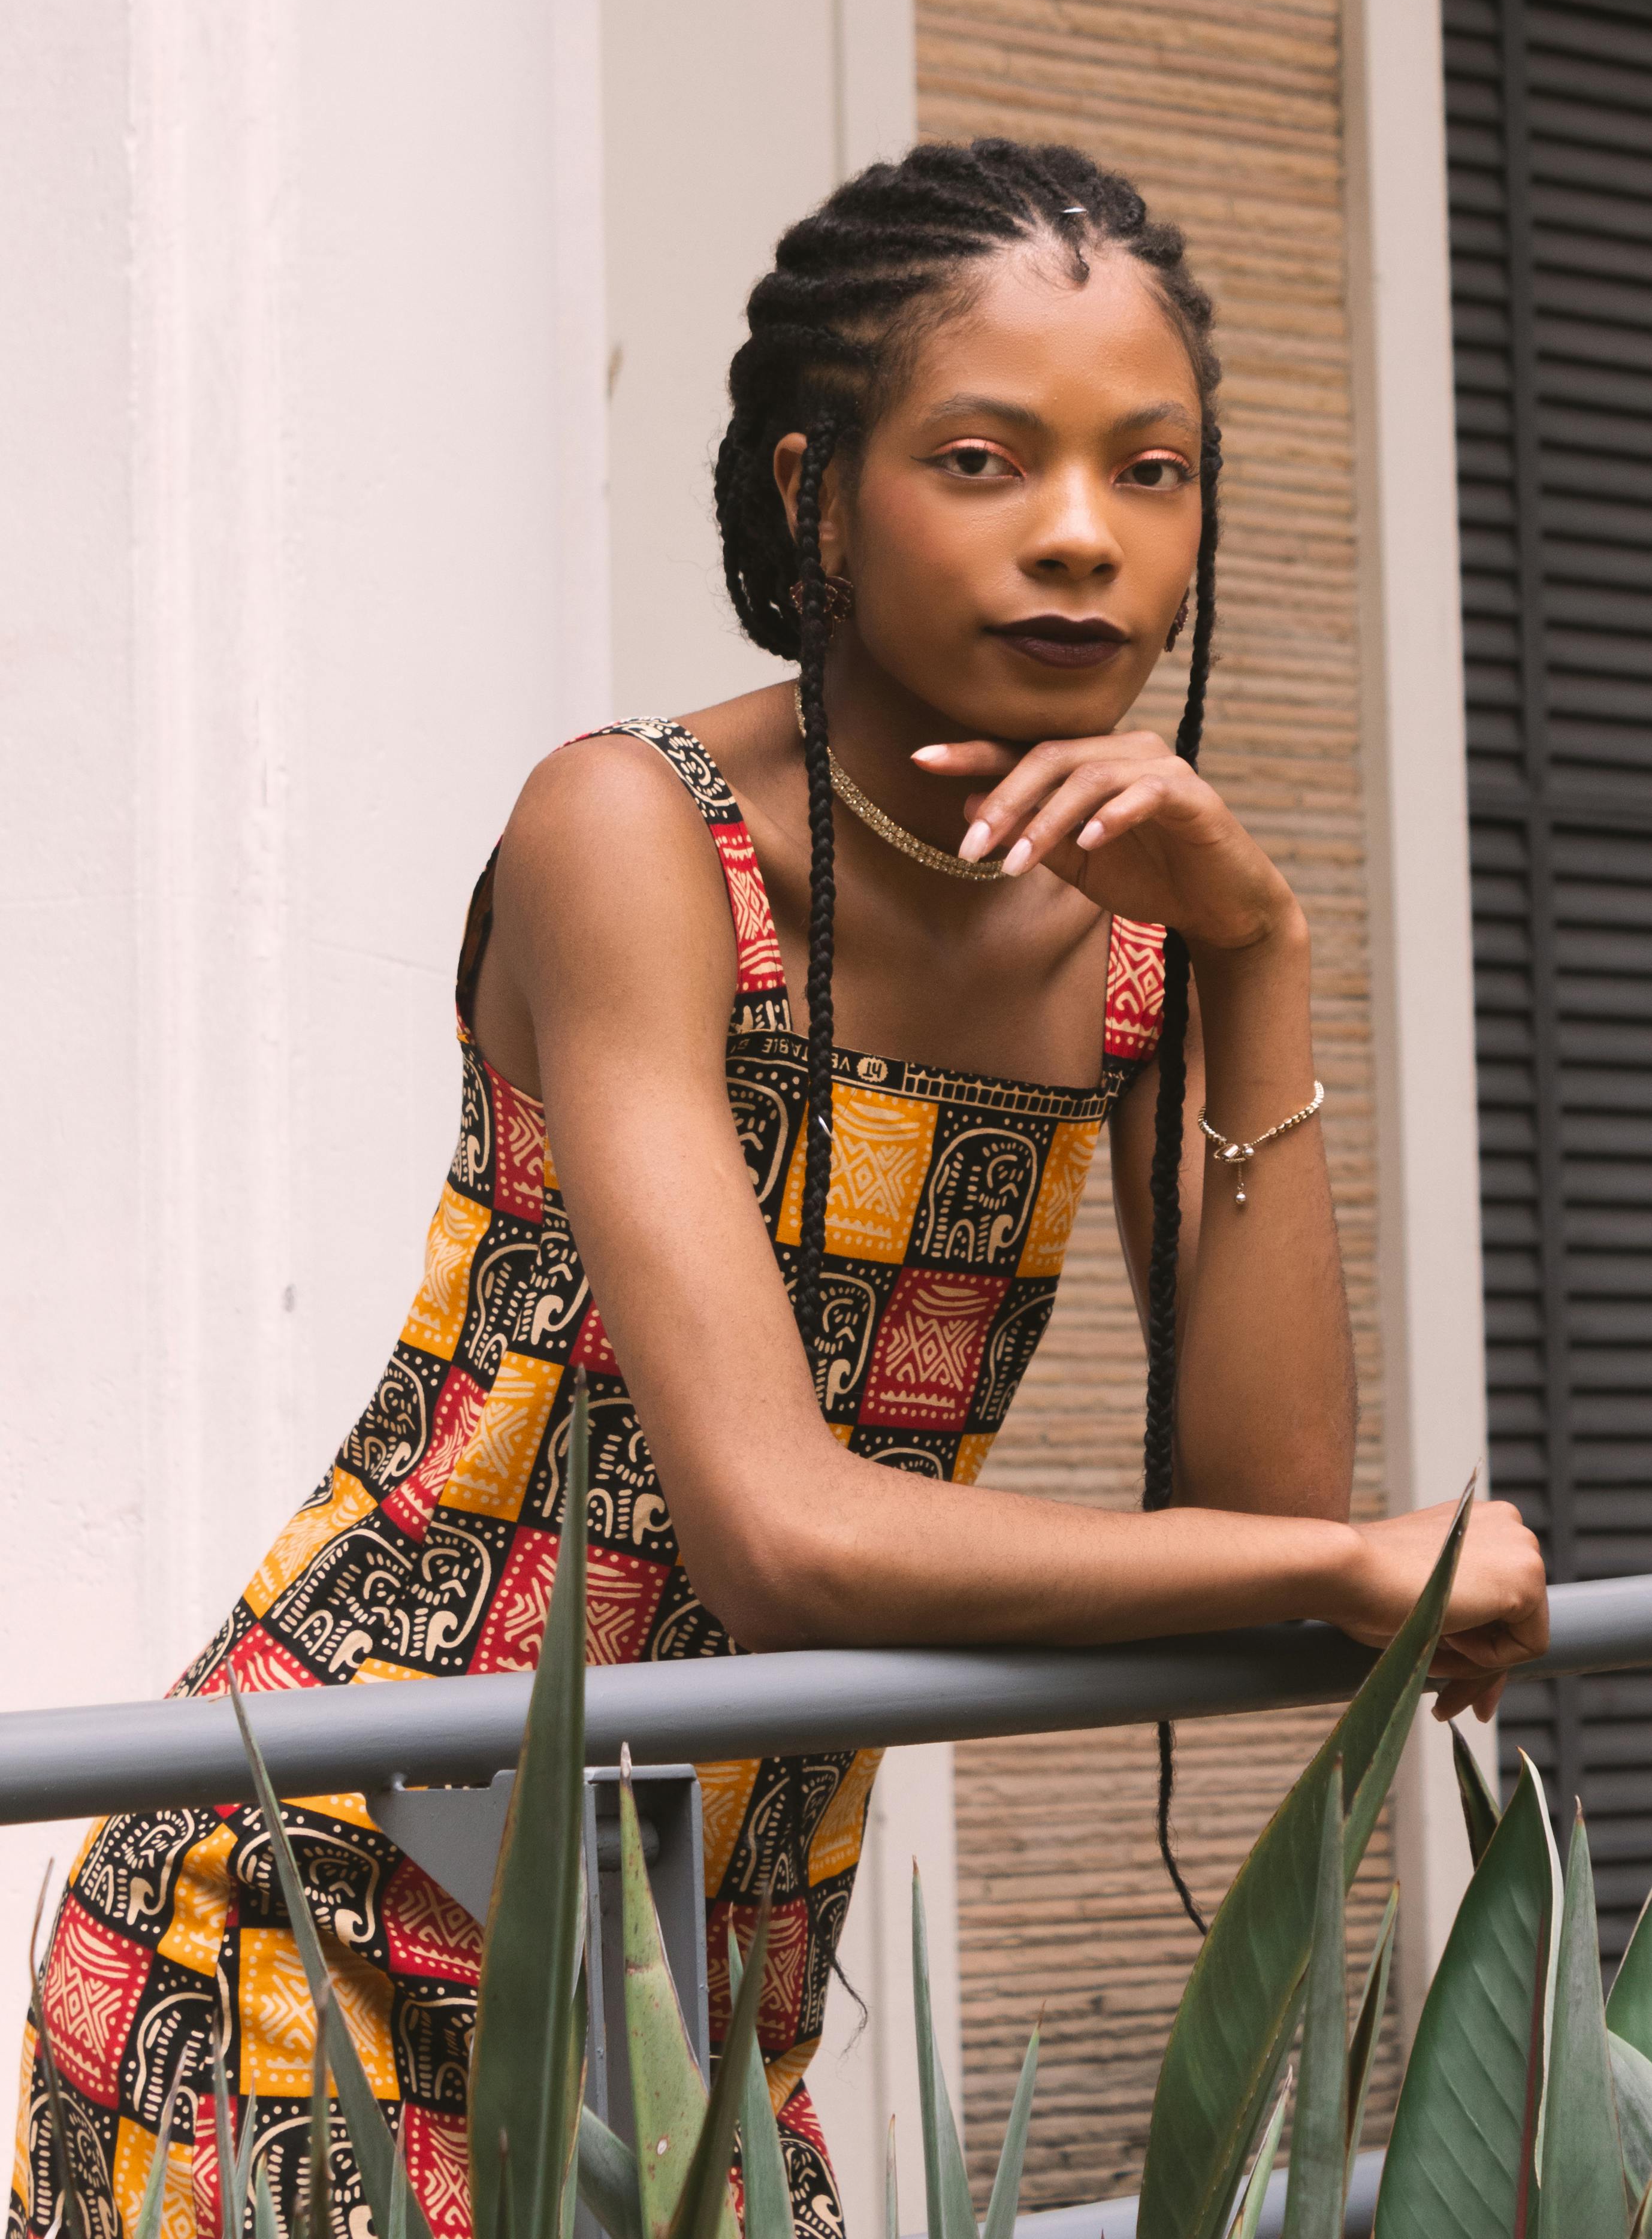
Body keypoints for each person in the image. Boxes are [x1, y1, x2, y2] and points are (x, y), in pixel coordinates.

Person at [11, 140, 1548, 2239]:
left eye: (1154, 470)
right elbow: (779, 1534)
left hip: (708, 1987)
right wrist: (1355, 1565)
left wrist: (1250, 960)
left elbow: (1280, 1521)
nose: (1084, 539)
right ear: (819, 493)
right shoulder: (628, 834)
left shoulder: (1140, 924)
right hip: (316, 1913)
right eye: (988, 460)